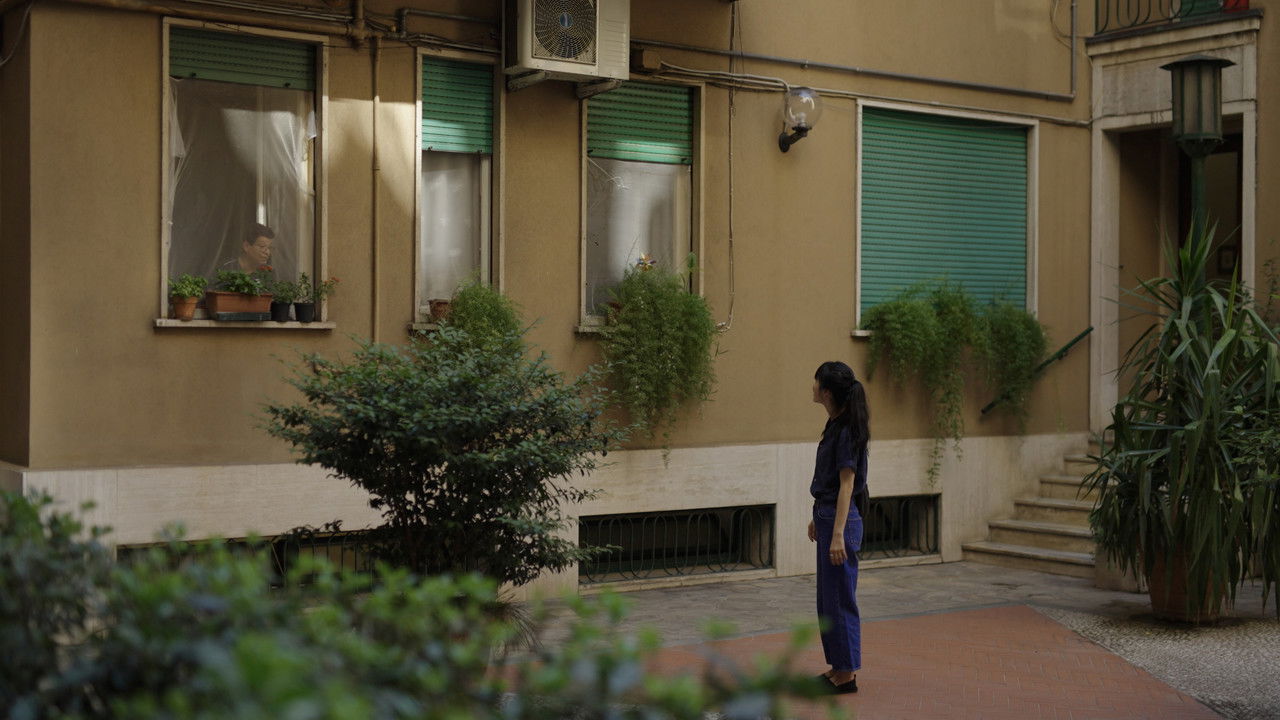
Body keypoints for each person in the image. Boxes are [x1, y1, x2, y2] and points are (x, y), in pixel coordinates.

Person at [808, 360, 870, 694]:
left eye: (816, 382)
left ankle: (847, 676)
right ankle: (838, 667)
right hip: (830, 515)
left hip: (840, 523)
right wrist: (817, 516)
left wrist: (836, 534)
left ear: (827, 391)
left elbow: (847, 486)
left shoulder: (846, 431)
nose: (812, 387)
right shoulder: (835, 424)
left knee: (840, 600)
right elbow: (831, 483)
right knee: (828, 601)